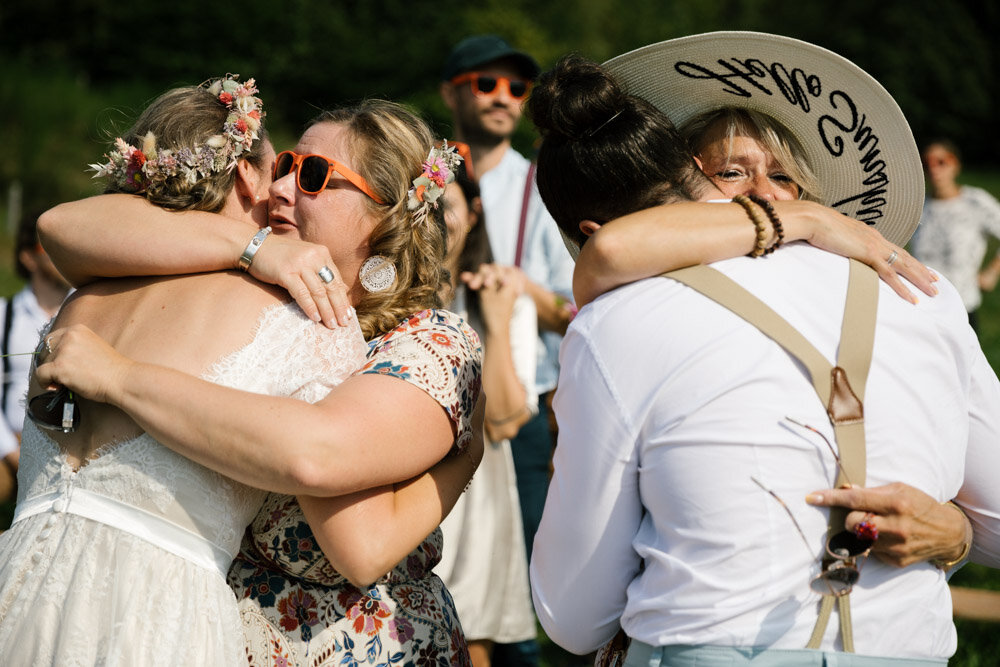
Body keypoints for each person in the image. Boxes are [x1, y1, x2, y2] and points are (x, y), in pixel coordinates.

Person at [527, 34, 1000, 666]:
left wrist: (953, 530)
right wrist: (964, 533)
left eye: (784, 176)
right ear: (681, 186)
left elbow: (574, 616)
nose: (766, 194)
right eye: (731, 172)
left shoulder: (619, 320)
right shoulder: (922, 296)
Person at [26, 100, 484, 665]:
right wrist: (253, 248)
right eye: (286, 164)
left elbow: (359, 544)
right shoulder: (261, 294)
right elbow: (61, 226)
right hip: (195, 628)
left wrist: (466, 458)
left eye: (314, 176)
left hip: (364, 647)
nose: (281, 188)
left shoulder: (427, 342)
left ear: (384, 215)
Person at [441, 37, 574, 596]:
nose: (504, 98)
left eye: (517, 88)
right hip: (437, 397)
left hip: (520, 413)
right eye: (486, 84)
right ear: (450, 93)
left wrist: (523, 290)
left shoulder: (546, 185)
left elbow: (575, 313)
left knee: (518, 583)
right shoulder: (425, 175)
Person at [436, 155, 538, 666]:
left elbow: (504, 419)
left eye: (447, 204)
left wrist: (495, 325)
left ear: (474, 211)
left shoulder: (503, 299)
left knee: (469, 639)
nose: (434, 216)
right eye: (423, 203)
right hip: (399, 479)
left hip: (474, 492)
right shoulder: (382, 294)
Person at [0, 212, 71, 506]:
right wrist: (12, 453)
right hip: (12, 444)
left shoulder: (88, 313)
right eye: (50, 248)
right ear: (28, 258)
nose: (63, 255)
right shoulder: (5, 315)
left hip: (69, 443)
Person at [909, 138, 1000, 332]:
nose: (934, 169)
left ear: (956, 165)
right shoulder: (919, 207)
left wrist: (992, 272)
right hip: (924, 308)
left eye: (942, 161)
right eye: (927, 163)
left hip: (962, 307)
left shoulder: (975, 202)